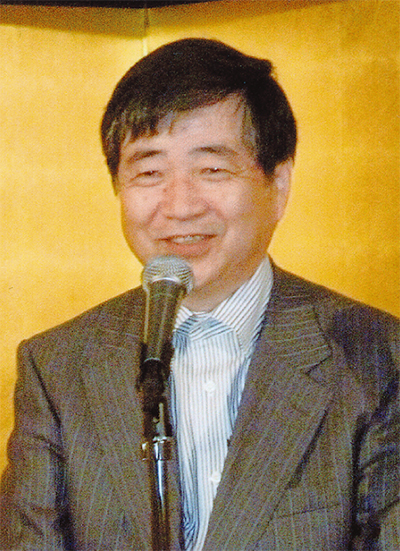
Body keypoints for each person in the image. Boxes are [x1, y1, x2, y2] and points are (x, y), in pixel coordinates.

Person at [0, 38, 399, 551]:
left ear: (278, 186)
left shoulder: (376, 355)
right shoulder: (57, 367)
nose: (180, 206)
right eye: (149, 172)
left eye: (212, 169)